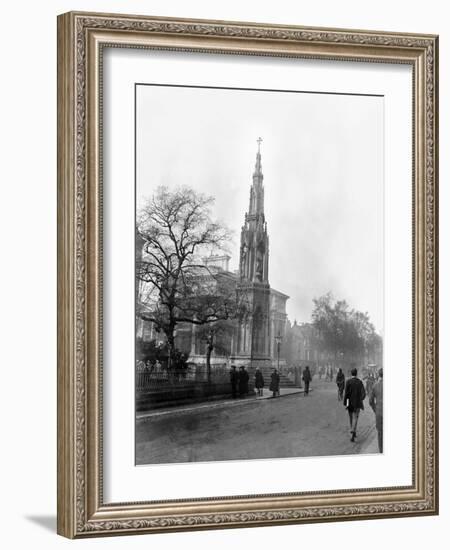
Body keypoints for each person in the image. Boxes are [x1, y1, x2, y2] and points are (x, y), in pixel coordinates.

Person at [343, 367, 366, 441]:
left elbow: (346, 394)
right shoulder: (359, 382)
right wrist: (360, 399)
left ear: (351, 373)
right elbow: (363, 394)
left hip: (349, 403)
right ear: (357, 373)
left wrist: (346, 404)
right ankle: (353, 430)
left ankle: (352, 431)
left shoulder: (348, 382)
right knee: (355, 418)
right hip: (357, 403)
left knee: (350, 418)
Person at [369, 368, 383, 452]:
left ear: (378, 374)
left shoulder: (375, 385)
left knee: (380, 433)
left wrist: (375, 410)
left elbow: (370, 401)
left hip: (379, 413)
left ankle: (381, 451)